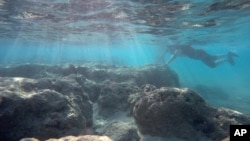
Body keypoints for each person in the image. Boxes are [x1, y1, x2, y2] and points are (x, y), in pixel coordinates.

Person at [158, 45, 239, 68]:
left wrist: (167, 63)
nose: (168, 49)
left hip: (199, 55)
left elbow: (174, 56)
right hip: (199, 55)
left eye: (169, 47)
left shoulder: (178, 47)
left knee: (212, 62)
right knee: (212, 61)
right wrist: (161, 56)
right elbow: (165, 51)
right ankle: (228, 57)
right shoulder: (170, 47)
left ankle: (228, 56)